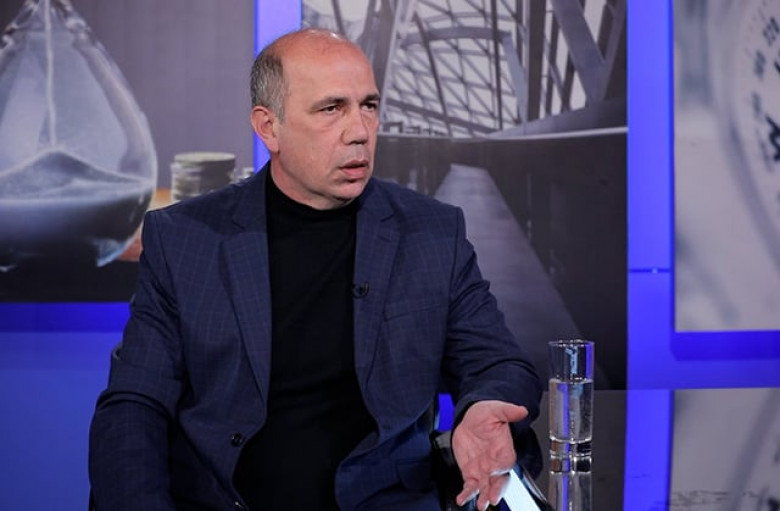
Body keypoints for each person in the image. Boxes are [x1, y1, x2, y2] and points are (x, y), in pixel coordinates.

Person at [89, 28, 542, 511]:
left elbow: (499, 364)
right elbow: (135, 403)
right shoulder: (186, 239)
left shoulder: (431, 233)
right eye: (332, 109)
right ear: (269, 128)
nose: (360, 131)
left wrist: (483, 406)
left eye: (369, 106)